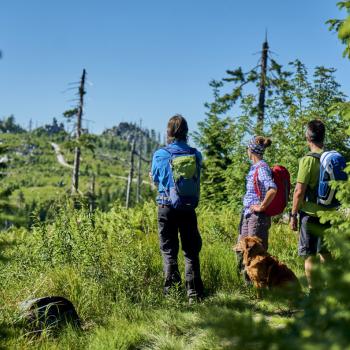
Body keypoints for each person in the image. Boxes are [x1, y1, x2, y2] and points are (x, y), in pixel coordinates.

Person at [151, 114, 204, 302]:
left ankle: (172, 295)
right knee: (190, 250)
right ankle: (194, 294)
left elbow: (156, 179)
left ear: (169, 131)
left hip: (166, 205)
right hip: (188, 207)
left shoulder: (161, 154)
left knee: (169, 250)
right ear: (186, 132)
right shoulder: (195, 154)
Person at [290, 119, 331, 291]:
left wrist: (293, 215)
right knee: (325, 252)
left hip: (310, 214)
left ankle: (314, 293)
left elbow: (299, 191)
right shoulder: (330, 158)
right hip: (328, 212)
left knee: (309, 255)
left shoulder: (307, 160)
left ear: (308, 137)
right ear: (323, 137)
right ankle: (333, 289)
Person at [236, 136, 277, 279]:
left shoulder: (262, 168)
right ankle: (246, 286)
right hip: (248, 215)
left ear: (251, 150)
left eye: (248, 148)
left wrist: (262, 206)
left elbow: (272, 189)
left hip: (257, 217)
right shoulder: (254, 168)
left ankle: (260, 289)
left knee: (256, 254)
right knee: (242, 249)